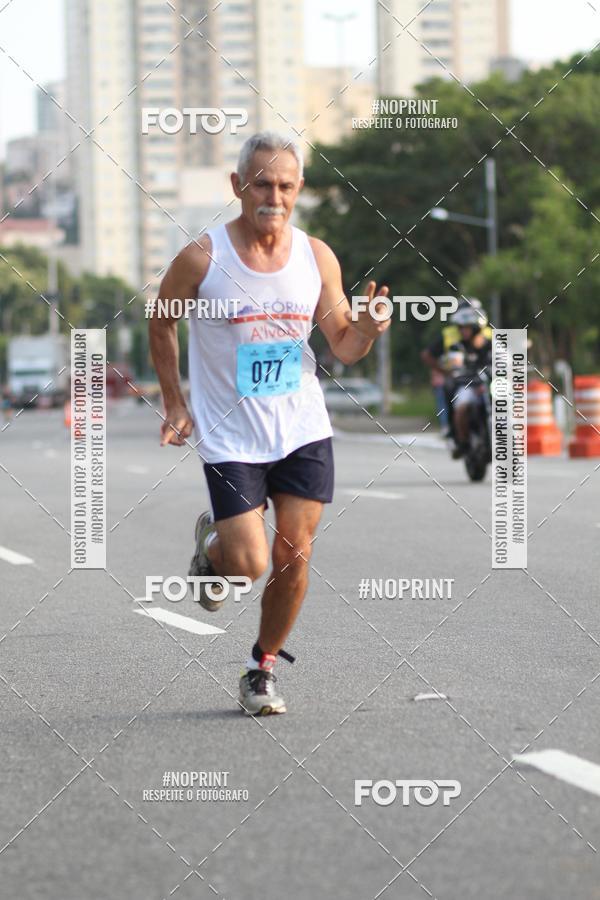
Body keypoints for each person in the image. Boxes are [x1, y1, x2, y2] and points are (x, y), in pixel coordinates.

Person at [149, 131, 391, 716]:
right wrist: (175, 402)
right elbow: (161, 320)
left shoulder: (316, 257)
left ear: (299, 188)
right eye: (262, 185)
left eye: (285, 186)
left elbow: (343, 344)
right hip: (231, 435)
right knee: (248, 564)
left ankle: (261, 668)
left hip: (301, 427)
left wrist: (366, 331)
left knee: (294, 553)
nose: (273, 197)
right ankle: (213, 547)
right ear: (238, 186)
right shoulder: (203, 257)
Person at [421, 304, 492, 458]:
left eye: (467, 328)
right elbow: (454, 364)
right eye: (461, 328)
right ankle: (463, 442)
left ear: (476, 328)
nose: (463, 331)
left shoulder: (491, 341)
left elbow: (508, 358)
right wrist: (448, 371)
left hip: (489, 384)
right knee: (461, 407)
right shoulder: (456, 346)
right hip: (467, 384)